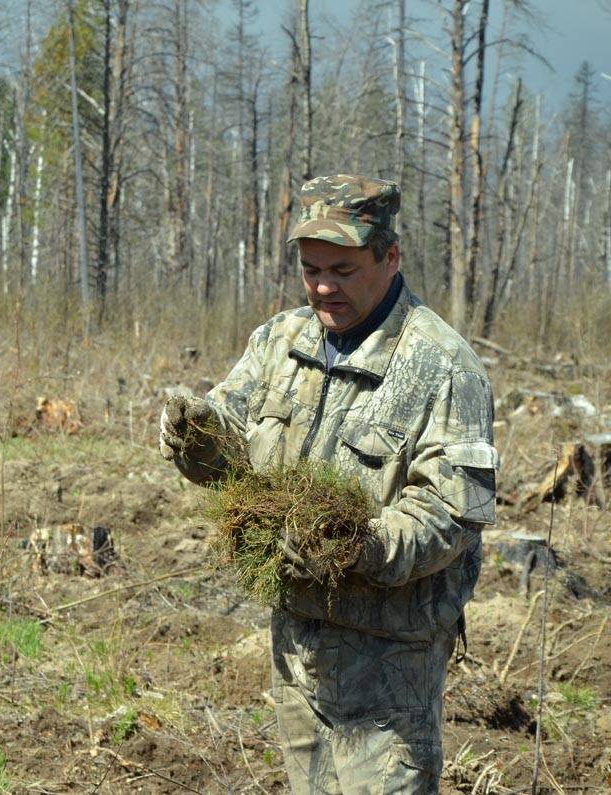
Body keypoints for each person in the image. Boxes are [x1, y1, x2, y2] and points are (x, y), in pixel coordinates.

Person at [159, 174, 497, 793]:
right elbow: (232, 444)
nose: (322, 286)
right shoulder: (280, 341)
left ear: (390, 257)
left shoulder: (443, 365)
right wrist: (196, 435)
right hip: (295, 640)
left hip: (387, 662)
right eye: (311, 269)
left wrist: (355, 544)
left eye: (342, 269)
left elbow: (451, 513)